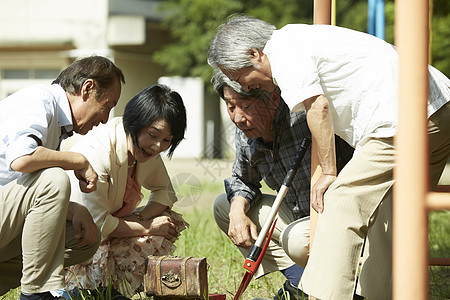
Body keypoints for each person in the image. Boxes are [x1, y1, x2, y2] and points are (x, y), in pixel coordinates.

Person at [208, 15, 450, 299]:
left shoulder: (284, 52)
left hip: (404, 116)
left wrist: (329, 172)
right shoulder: (300, 39)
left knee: (342, 198)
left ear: (254, 54)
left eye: (241, 79)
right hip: (437, 107)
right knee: (392, 210)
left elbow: (318, 107)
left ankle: (324, 296)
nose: (246, 87)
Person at [211, 70, 354, 299]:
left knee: (296, 239)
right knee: (224, 206)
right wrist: (238, 211)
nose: (237, 118)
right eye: (230, 107)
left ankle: (342, 286)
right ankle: (302, 284)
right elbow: (243, 180)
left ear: (274, 99)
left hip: (341, 220)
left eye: (246, 107)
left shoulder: (304, 116)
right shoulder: (246, 132)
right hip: (300, 219)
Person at [0, 55, 125, 300]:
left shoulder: (55, 124)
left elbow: (16, 187)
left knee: (83, 238)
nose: (105, 119)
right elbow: (22, 159)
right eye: (108, 106)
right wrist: (78, 160)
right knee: (54, 179)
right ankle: (36, 294)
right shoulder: (39, 100)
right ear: (88, 89)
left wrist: (71, 209)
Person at [64, 84, 189, 298]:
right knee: (147, 230)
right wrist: (146, 226)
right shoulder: (100, 152)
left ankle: (115, 287)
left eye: (167, 140)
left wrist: (140, 217)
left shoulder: (144, 150)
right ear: (135, 123)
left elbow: (164, 191)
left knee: (167, 220)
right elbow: (98, 224)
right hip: (75, 232)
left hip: (109, 226)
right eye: (153, 135)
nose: (158, 146)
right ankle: (79, 289)